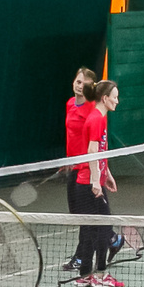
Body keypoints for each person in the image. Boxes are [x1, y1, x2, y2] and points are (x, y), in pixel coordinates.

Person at [69, 78, 124, 287]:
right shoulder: (96, 119)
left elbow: (101, 151)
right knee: (103, 230)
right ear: (105, 98)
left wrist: (106, 173)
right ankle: (100, 275)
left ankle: (85, 276)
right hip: (87, 184)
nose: (117, 101)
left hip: (93, 181)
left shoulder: (101, 117)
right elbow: (91, 152)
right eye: (115, 97)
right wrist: (95, 180)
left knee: (94, 231)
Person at [62, 67, 99, 274]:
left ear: (90, 86)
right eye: (77, 81)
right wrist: (67, 160)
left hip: (86, 168)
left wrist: (97, 171)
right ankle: (111, 239)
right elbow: (71, 136)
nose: (78, 85)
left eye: (83, 82)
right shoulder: (69, 104)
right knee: (77, 214)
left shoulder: (92, 109)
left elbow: (95, 140)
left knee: (87, 216)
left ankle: (82, 257)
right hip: (73, 166)